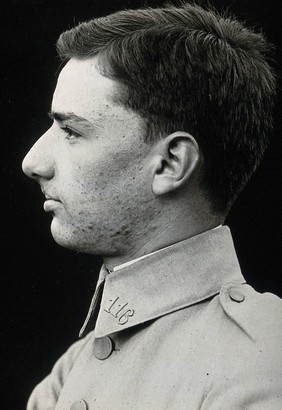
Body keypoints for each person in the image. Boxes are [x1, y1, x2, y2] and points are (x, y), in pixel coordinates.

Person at [22, 3, 282, 409]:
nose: (33, 161)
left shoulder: (262, 363)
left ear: (171, 164)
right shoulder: (71, 370)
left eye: (71, 130)